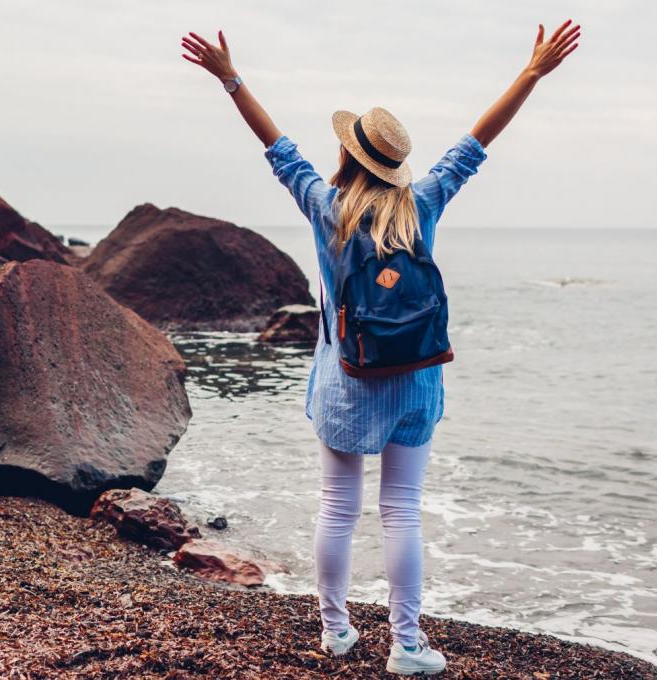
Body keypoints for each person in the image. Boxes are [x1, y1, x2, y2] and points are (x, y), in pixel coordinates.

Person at [180, 20, 580, 676]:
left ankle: (335, 631)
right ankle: (406, 645)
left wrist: (229, 76)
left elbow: (276, 145)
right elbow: (475, 143)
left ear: (348, 157)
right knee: (401, 512)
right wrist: (532, 73)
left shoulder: (325, 207)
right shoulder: (421, 203)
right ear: (395, 163)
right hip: (417, 381)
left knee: (339, 507)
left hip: (347, 381)